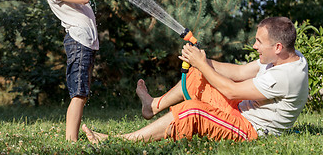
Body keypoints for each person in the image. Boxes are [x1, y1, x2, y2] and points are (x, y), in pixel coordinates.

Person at [82, 17, 309, 143]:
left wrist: (201, 62)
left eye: (259, 41)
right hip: (239, 111)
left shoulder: (285, 77)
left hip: (252, 129)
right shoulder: (285, 57)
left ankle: (122, 140)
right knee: (198, 75)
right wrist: (201, 60)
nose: (254, 46)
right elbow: (239, 73)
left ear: (277, 47)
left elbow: (231, 91)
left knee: (192, 111)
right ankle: (153, 106)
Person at [40, 0, 99, 141]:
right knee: (78, 93)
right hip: (77, 41)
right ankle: (70, 140)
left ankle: (71, 137)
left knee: (82, 92)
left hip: (87, 42)